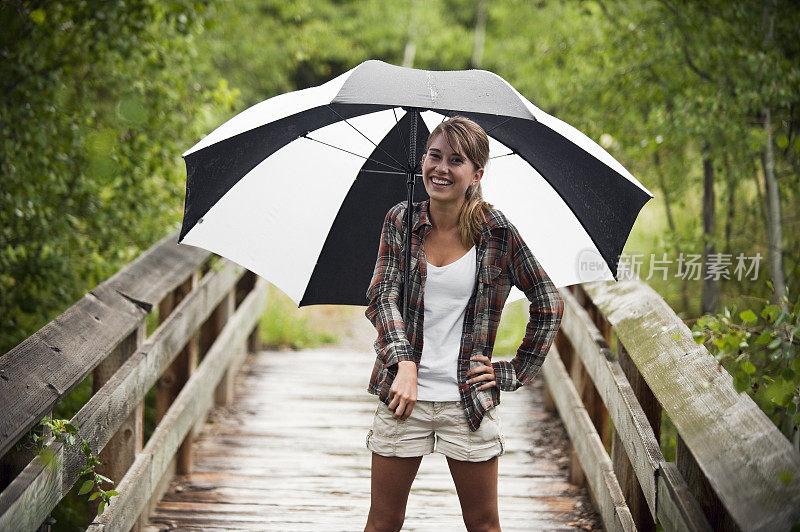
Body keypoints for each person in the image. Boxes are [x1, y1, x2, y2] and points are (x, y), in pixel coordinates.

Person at [363, 116, 564, 532]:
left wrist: (510, 372)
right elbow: (381, 297)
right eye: (434, 156)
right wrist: (405, 363)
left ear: (476, 174)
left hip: (467, 401)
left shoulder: (497, 232)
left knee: (484, 524)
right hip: (404, 396)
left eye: (456, 160)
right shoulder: (400, 221)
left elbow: (548, 301)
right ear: (422, 161)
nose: (441, 168)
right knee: (383, 522)